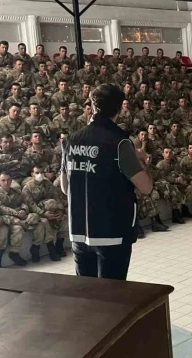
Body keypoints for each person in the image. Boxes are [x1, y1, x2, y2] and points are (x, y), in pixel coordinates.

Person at [61, 83, 153, 280]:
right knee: (112, 294)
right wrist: (143, 161)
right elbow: (146, 187)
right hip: (111, 233)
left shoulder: (71, 140)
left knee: (86, 293)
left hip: (79, 232)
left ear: (93, 106)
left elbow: (64, 187)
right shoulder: (119, 143)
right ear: (119, 109)